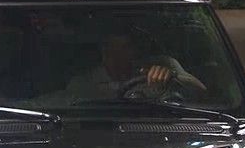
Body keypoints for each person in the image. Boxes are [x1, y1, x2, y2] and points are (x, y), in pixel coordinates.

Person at [65, 33, 206, 99]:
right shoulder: (83, 84)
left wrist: (172, 77)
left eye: (127, 47)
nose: (122, 55)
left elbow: (202, 92)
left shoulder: (162, 65)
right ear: (104, 52)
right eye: (115, 49)